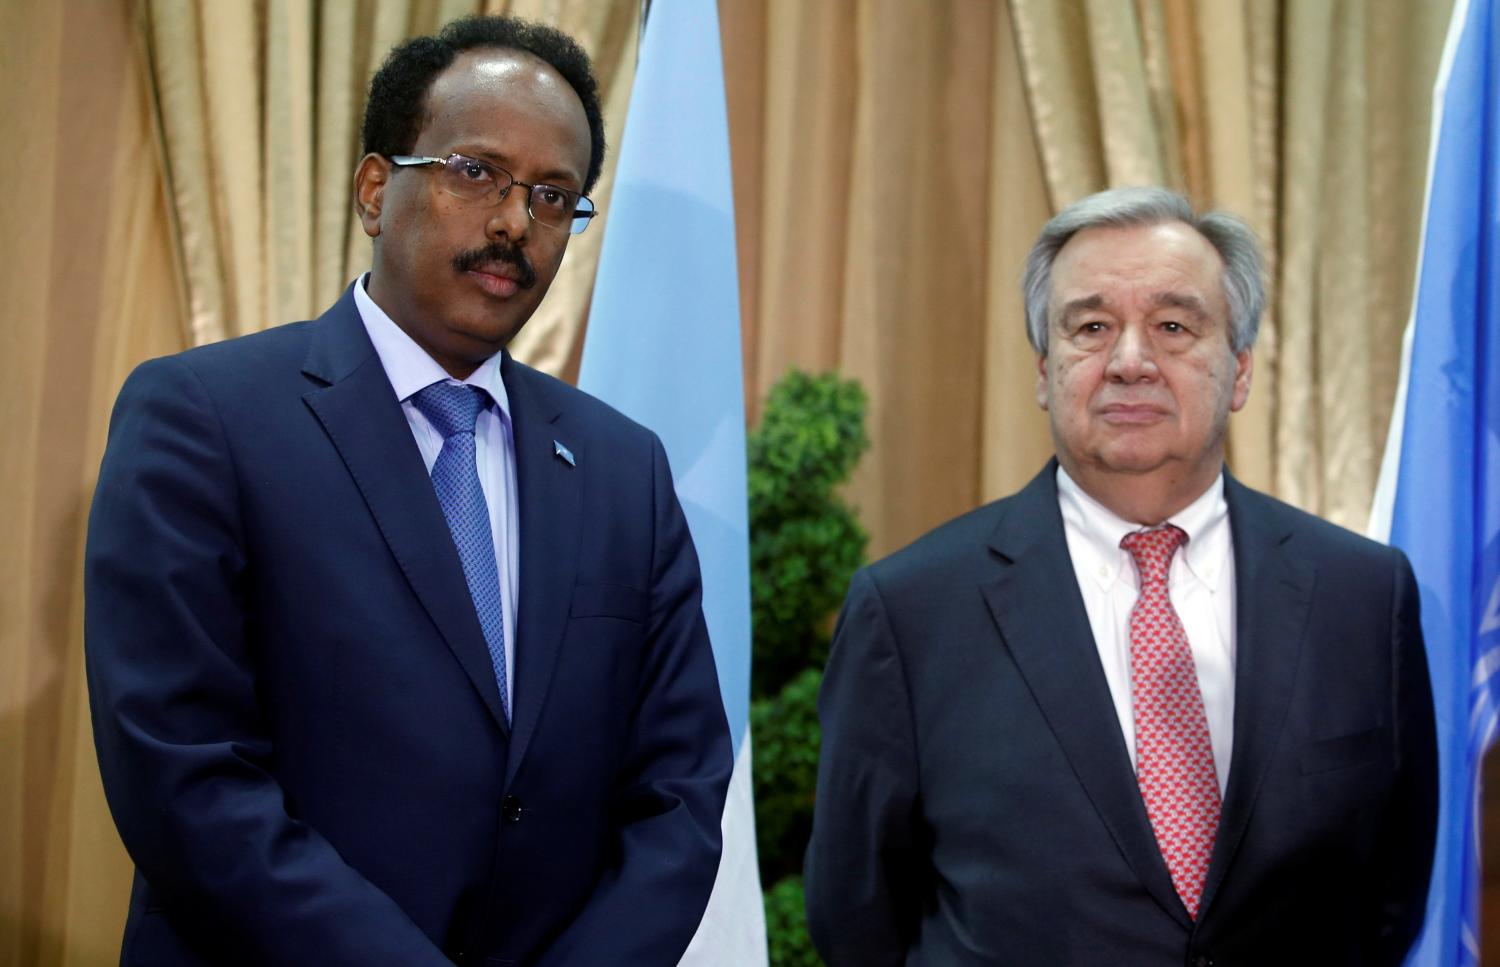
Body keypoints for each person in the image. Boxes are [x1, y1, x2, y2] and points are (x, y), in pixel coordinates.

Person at [84, 15, 731, 966]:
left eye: (554, 197)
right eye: (476, 172)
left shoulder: (622, 469)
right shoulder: (205, 418)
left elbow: (679, 792)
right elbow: (185, 776)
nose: (514, 222)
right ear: (376, 190)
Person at [804, 186, 1437, 966]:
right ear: (1046, 370)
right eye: (1092, 327)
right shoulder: (910, 612)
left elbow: (1390, 896)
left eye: (1173, 326)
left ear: (1240, 370)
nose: (1130, 362)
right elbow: (856, 919)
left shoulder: (1362, 596)